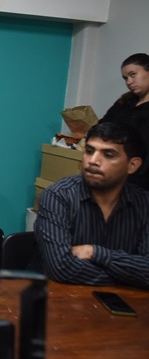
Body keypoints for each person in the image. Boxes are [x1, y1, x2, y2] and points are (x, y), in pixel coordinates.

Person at [33, 122, 149, 288]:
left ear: (132, 165)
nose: (93, 161)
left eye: (108, 155)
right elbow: (60, 268)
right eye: (89, 151)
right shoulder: (58, 196)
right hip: (60, 296)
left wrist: (94, 252)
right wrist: (129, 276)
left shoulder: (144, 204)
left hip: (123, 300)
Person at [100, 53, 149, 189]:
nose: (129, 82)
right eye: (125, 78)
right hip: (111, 174)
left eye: (133, 75)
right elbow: (101, 127)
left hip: (141, 182)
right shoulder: (124, 103)